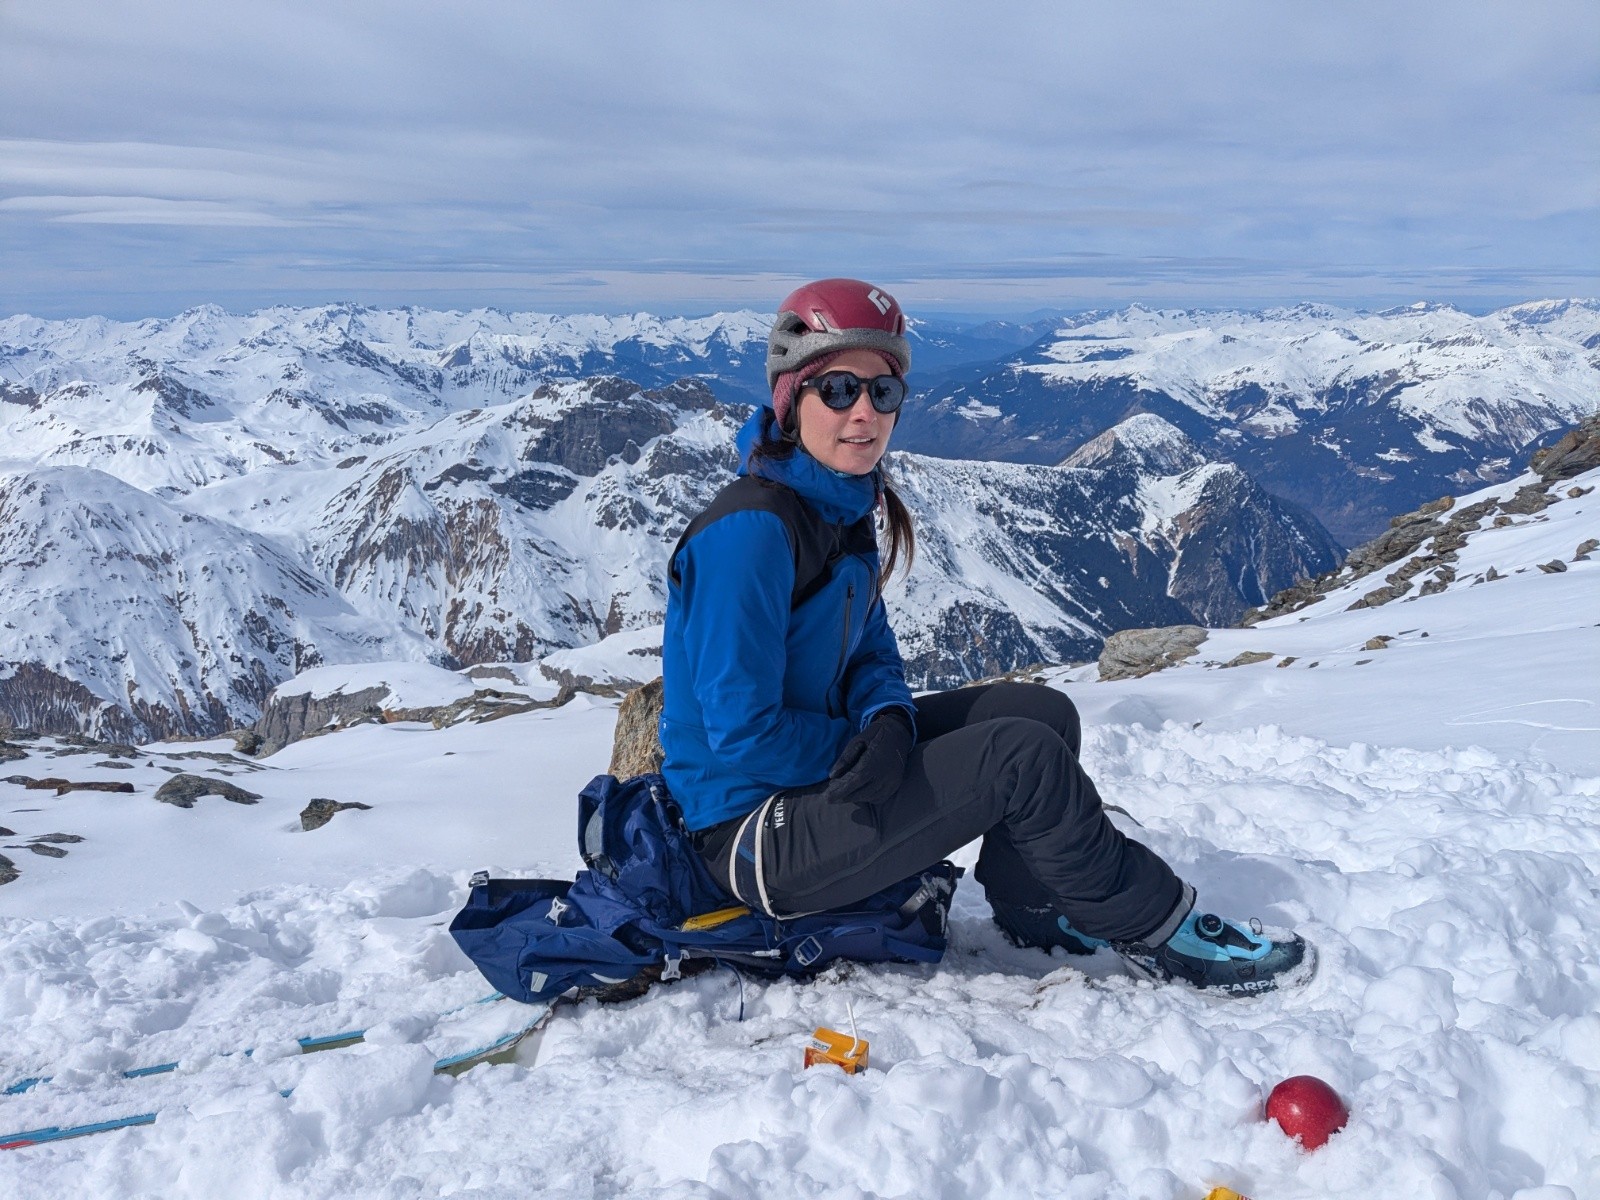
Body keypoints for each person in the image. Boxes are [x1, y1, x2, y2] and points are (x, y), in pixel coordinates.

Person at [659, 278, 1310, 996]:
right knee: (1019, 760)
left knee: (1039, 714)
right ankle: (1160, 928)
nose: (865, 413)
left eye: (885, 392)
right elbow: (739, 732)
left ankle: (1033, 905)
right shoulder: (752, 533)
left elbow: (871, 650)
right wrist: (856, 752)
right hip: (754, 835)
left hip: (817, 782)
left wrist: (887, 722)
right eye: (839, 390)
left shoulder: (839, 509)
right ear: (792, 398)